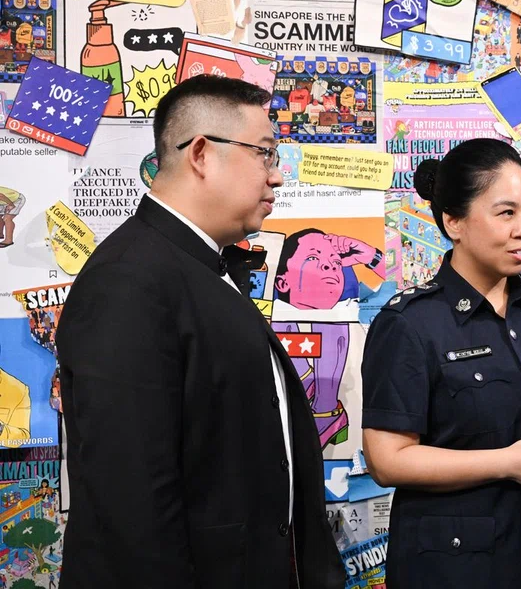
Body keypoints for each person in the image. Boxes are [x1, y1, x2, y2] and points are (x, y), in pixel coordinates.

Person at [56, 75, 345, 589]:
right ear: (202, 154)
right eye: (265, 153)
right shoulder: (129, 280)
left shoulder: (201, 268)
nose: (276, 177)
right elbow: (132, 498)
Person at [361, 138, 521, 588]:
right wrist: (508, 462)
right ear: (454, 221)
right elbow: (386, 460)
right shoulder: (409, 324)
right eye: (506, 213)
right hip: (459, 568)